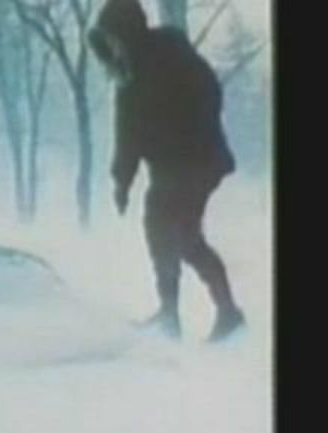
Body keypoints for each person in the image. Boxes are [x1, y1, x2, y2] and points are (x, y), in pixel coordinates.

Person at [88, 0, 245, 342]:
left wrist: (187, 134)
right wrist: (121, 182)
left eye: (114, 38)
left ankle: (204, 313)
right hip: (176, 167)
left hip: (195, 162)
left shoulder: (168, 54)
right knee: (173, 234)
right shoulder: (131, 74)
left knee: (174, 231)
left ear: (126, 32)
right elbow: (127, 137)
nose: (112, 48)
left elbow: (209, 92)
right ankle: (189, 312)